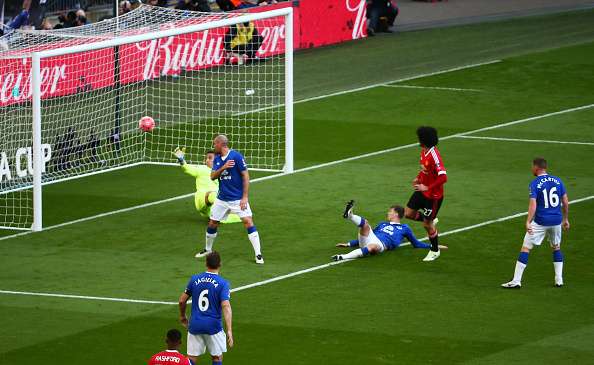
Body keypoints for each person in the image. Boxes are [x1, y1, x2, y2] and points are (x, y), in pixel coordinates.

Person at [501, 158, 570, 289]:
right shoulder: (558, 181)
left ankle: (516, 281)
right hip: (556, 220)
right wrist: (565, 219)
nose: (531, 169)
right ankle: (559, 279)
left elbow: (533, 204)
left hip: (541, 221)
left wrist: (528, 221)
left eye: (532, 166)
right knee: (556, 247)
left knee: (525, 248)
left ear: (536, 168)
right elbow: (565, 202)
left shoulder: (535, 183)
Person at [196, 134, 264, 264]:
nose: (213, 146)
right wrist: (223, 167)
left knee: (248, 222)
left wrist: (245, 197)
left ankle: (258, 254)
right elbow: (212, 176)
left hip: (237, 199)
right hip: (222, 199)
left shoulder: (236, 156)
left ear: (221, 144)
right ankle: (208, 249)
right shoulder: (217, 159)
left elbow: (245, 176)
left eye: (215, 144)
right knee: (212, 223)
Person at [332, 201, 447, 261]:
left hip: (380, 245)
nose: (388, 213)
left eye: (390, 211)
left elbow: (416, 244)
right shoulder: (383, 224)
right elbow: (369, 234)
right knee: (365, 224)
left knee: (373, 246)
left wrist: (433, 246)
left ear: (396, 214)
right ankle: (350, 216)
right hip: (370, 239)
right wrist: (348, 244)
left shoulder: (404, 228)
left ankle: (342, 257)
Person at [179, 251, 234, 365]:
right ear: (220, 264)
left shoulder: (194, 279)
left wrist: (183, 316)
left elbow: (181, 300)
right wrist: (229, 329)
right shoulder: (223, 283)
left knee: (191, 358)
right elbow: (226, 306)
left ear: (206, 263)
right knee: (217, 357)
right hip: (213, 326)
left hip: (195, 324)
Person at [404, 126, 447, 262]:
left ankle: (435, 250)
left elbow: (443, 177)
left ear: (424, 139)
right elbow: (425, 170)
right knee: (408, 213)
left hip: (433, 196)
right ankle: (430, 219)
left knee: (427, 225)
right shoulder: (424, 151)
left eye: (419, 137)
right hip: (422, 191)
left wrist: (427, 187)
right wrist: (418, 177)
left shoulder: (435, 155)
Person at [173, 147, 241, 224]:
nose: (207, 160)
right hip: (201, 199)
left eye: (210, 158)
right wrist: (182, 161)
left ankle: (218, 215)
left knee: (233, 217)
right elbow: (188, 169)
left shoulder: (221, 171)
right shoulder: (201, 169)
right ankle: (228, 209)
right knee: (214, 195)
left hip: (211, 205)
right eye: (207, 158)